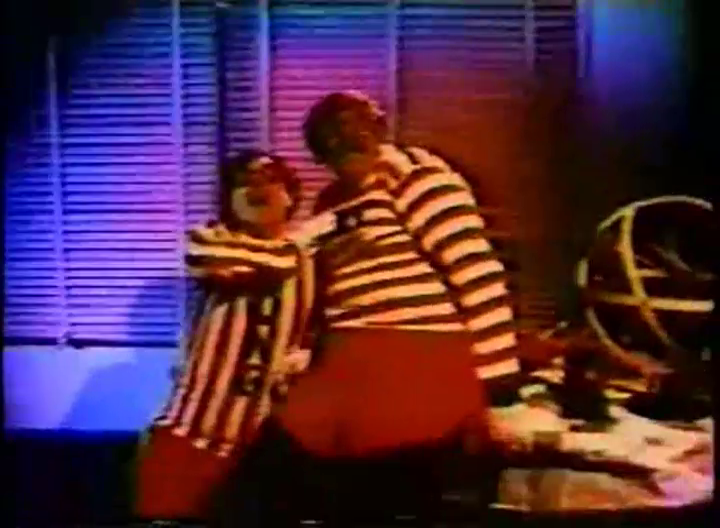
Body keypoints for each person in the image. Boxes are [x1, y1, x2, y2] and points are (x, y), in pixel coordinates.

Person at [134, 150, 314, 523]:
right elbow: (268, 261)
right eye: (244, 181)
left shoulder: (312, 257)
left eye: (270, 179)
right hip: (193, 426)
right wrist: (285, 253)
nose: (258, 188)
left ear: (291, 195)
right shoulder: (209, 239)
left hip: (264, 437)